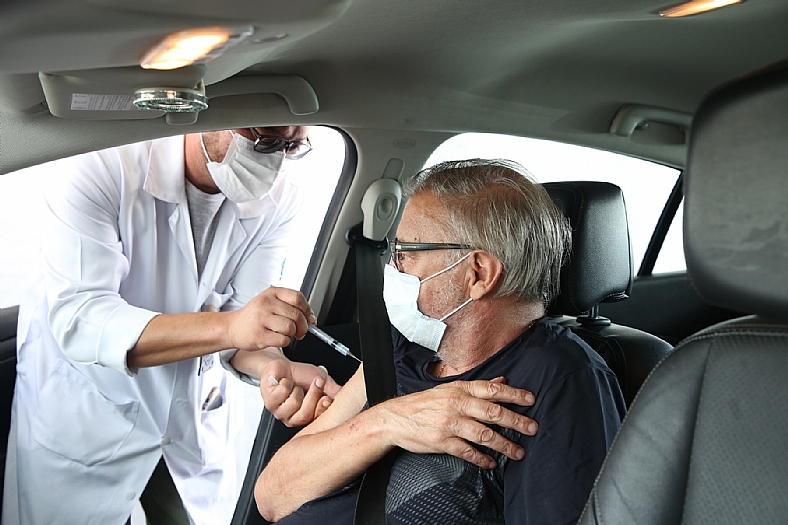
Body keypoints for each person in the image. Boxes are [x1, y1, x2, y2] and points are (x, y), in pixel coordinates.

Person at [255, 159, 627, 524]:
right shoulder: (403, 346)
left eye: (405, 254)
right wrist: (386, 423)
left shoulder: (563, 381)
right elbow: (272, 496)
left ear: (477, 273)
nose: (394, 268)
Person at [3, 126, 342, 525]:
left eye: (291, 146)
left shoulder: (279, 199)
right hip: (87, 422)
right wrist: (232, 328)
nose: (274, 160)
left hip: (186, 427)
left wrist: (271, 366)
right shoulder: (102, 163)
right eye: (264, 139)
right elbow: (81, 320)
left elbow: (247, 329)